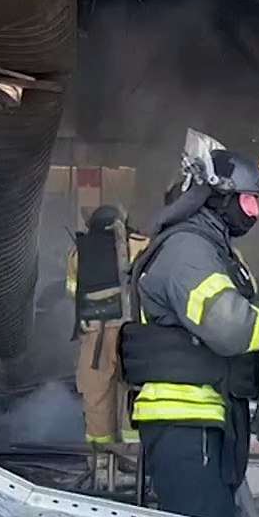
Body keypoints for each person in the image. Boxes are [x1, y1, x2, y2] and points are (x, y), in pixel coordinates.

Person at [118, 131, 259, 517]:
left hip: (210, 418)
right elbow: (230, 326)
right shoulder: (186, 252)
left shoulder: (214, 250)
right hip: (186, 421)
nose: (255, 212)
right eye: (247, 200)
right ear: (217, 199)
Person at [66, 204, 150, 476]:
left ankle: (101, 463)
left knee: (97, 395)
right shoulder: (143, 244)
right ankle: (136, 459)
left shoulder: (78, 252)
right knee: (133, 391)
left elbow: (72, 291)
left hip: (95, 335)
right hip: (132, 331)